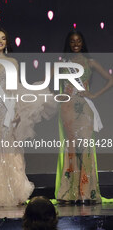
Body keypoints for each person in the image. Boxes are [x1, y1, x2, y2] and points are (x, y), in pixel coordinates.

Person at [0, 28, 56, 207]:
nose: (0, 41)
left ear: (7, 42)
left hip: (7, 110)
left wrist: (17, 111)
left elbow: (13, 88)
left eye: (3, 38)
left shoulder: (12, 61)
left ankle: (10, 190)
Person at [55, 31, 113, 204]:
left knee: (86, 148)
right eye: (72, 41)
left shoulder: (90, 62)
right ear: (69, 44)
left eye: (79, 40)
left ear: (83, 43)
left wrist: (94, 94)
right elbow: (46, 81)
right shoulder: (62, 64)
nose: (76, 43)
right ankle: (69, 193)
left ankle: (87, 192)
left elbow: (110, 79)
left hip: (85, 108)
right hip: (67, 109)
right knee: (71, 148)